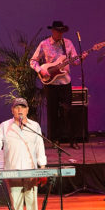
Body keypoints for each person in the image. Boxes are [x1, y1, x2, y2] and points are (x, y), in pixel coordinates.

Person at [30, 20, 83, 149]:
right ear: (52, 31)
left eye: (62, 31)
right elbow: (33, 61)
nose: (60, 34)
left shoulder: (68, 43)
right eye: (58, 31)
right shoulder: (44, 44)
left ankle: (72, 139)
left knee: (68, 111)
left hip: (65, 82)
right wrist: (40, 70)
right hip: (51, 83)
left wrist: (81, 58)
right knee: (52, 112)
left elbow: (75, 61)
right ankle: (55, 140)